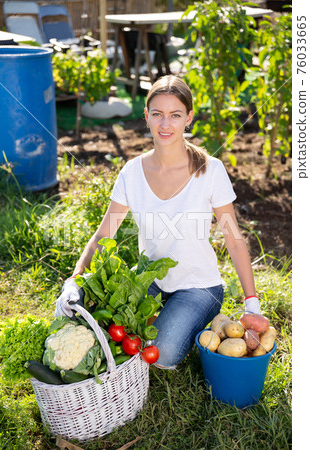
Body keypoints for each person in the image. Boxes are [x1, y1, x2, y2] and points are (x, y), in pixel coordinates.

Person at [56, 75, 260, 370]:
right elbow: (104, 233)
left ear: (188, 118)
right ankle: (167, 319)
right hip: (148, 281)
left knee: (159, 355)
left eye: (175, 115)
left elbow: (233, 238)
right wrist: (74, 279)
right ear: (147, 117)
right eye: (158, 114)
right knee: (107, 337)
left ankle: (197, 320)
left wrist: (251, 301)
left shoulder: (210, 171)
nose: (166, 125)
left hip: (199, 287)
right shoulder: (131, 172)